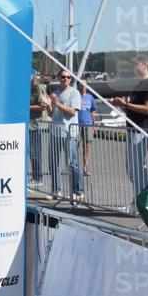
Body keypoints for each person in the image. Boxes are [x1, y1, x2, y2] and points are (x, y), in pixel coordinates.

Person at [110, 54, 148, 203]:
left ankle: (143, 202)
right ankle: (140, 200)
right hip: (135, 130)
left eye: (135, 64)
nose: (133, 67)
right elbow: (134, 110)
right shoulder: (141, 84)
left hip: (142, 131)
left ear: (144, 65)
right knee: (133, 170)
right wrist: (123, 106)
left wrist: (125, 104)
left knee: (136, 170)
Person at [47, 70, 83, 199]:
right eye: (63, 77)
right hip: (56, 131)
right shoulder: (56, 92)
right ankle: (56, 190)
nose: (66, 79)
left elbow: (72, 112)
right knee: (53, 162)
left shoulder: (74, 93)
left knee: (72, 162)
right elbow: (53, 113)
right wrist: (48, 105)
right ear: (58, 78)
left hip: (69, 133)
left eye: (68, 77)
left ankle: (78, 191)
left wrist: (57, 103)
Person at [29, 73, 49, 185]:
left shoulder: (39, 88)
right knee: (30, 152)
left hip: (35, 125)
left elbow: (43, 107)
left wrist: (27, 107)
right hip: (28, 124)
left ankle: (38, 177)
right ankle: (35, 175)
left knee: (35, 152)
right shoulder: (27, 88)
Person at [77, 81, 96, 177]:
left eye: (84, 84)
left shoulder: (90, 97)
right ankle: (74, 166)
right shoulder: (75, 95)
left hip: (87, 124)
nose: (83, 86)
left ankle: (85, 167)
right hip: (76, 124)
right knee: (75, 145)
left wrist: (94, 124)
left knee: (87, 147)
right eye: (81, 84)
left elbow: (92, 111)